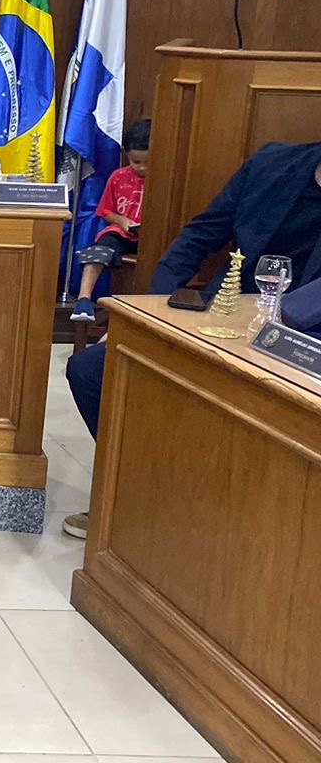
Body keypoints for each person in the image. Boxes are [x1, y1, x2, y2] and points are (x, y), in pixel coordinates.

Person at [62, 138, 321, 538]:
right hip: (224, 315)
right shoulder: (273, 163)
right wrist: (148, 316)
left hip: (305, 340)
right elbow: (199, 236)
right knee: (92, 369)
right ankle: (135, 495)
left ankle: (217, 521)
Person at [71, 119, 152, 321]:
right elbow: (104, 210)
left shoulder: (166, 178)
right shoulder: (118, 177)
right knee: (100, 247)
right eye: (136, 162)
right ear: (126, 154)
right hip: (124, 233)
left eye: (147, 162)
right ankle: (83, 299)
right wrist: (122, 221)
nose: (142, 168)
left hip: (154, 236)